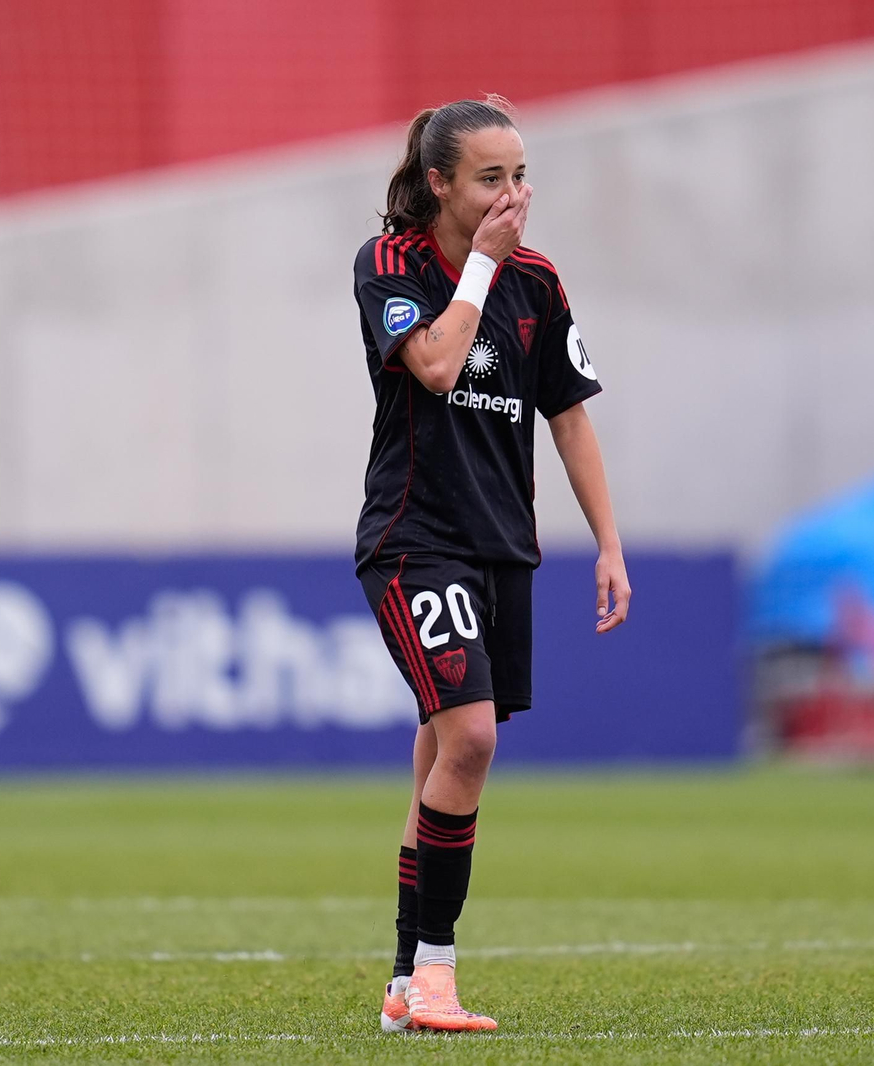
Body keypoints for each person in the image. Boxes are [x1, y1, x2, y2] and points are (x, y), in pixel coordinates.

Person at [352, 97, 632, 1034]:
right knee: (470, 739)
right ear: (439, 184)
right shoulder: (391, 264)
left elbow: (570, 414)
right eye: (490, 179)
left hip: (503, 548)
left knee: (442, 752)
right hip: (412, 540)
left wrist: (609, 541)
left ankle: (402, 986)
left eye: (520, 176)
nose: (513, 196)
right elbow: (433, 364)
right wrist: (479, 266)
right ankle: (435, 975)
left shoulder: (539, 285)